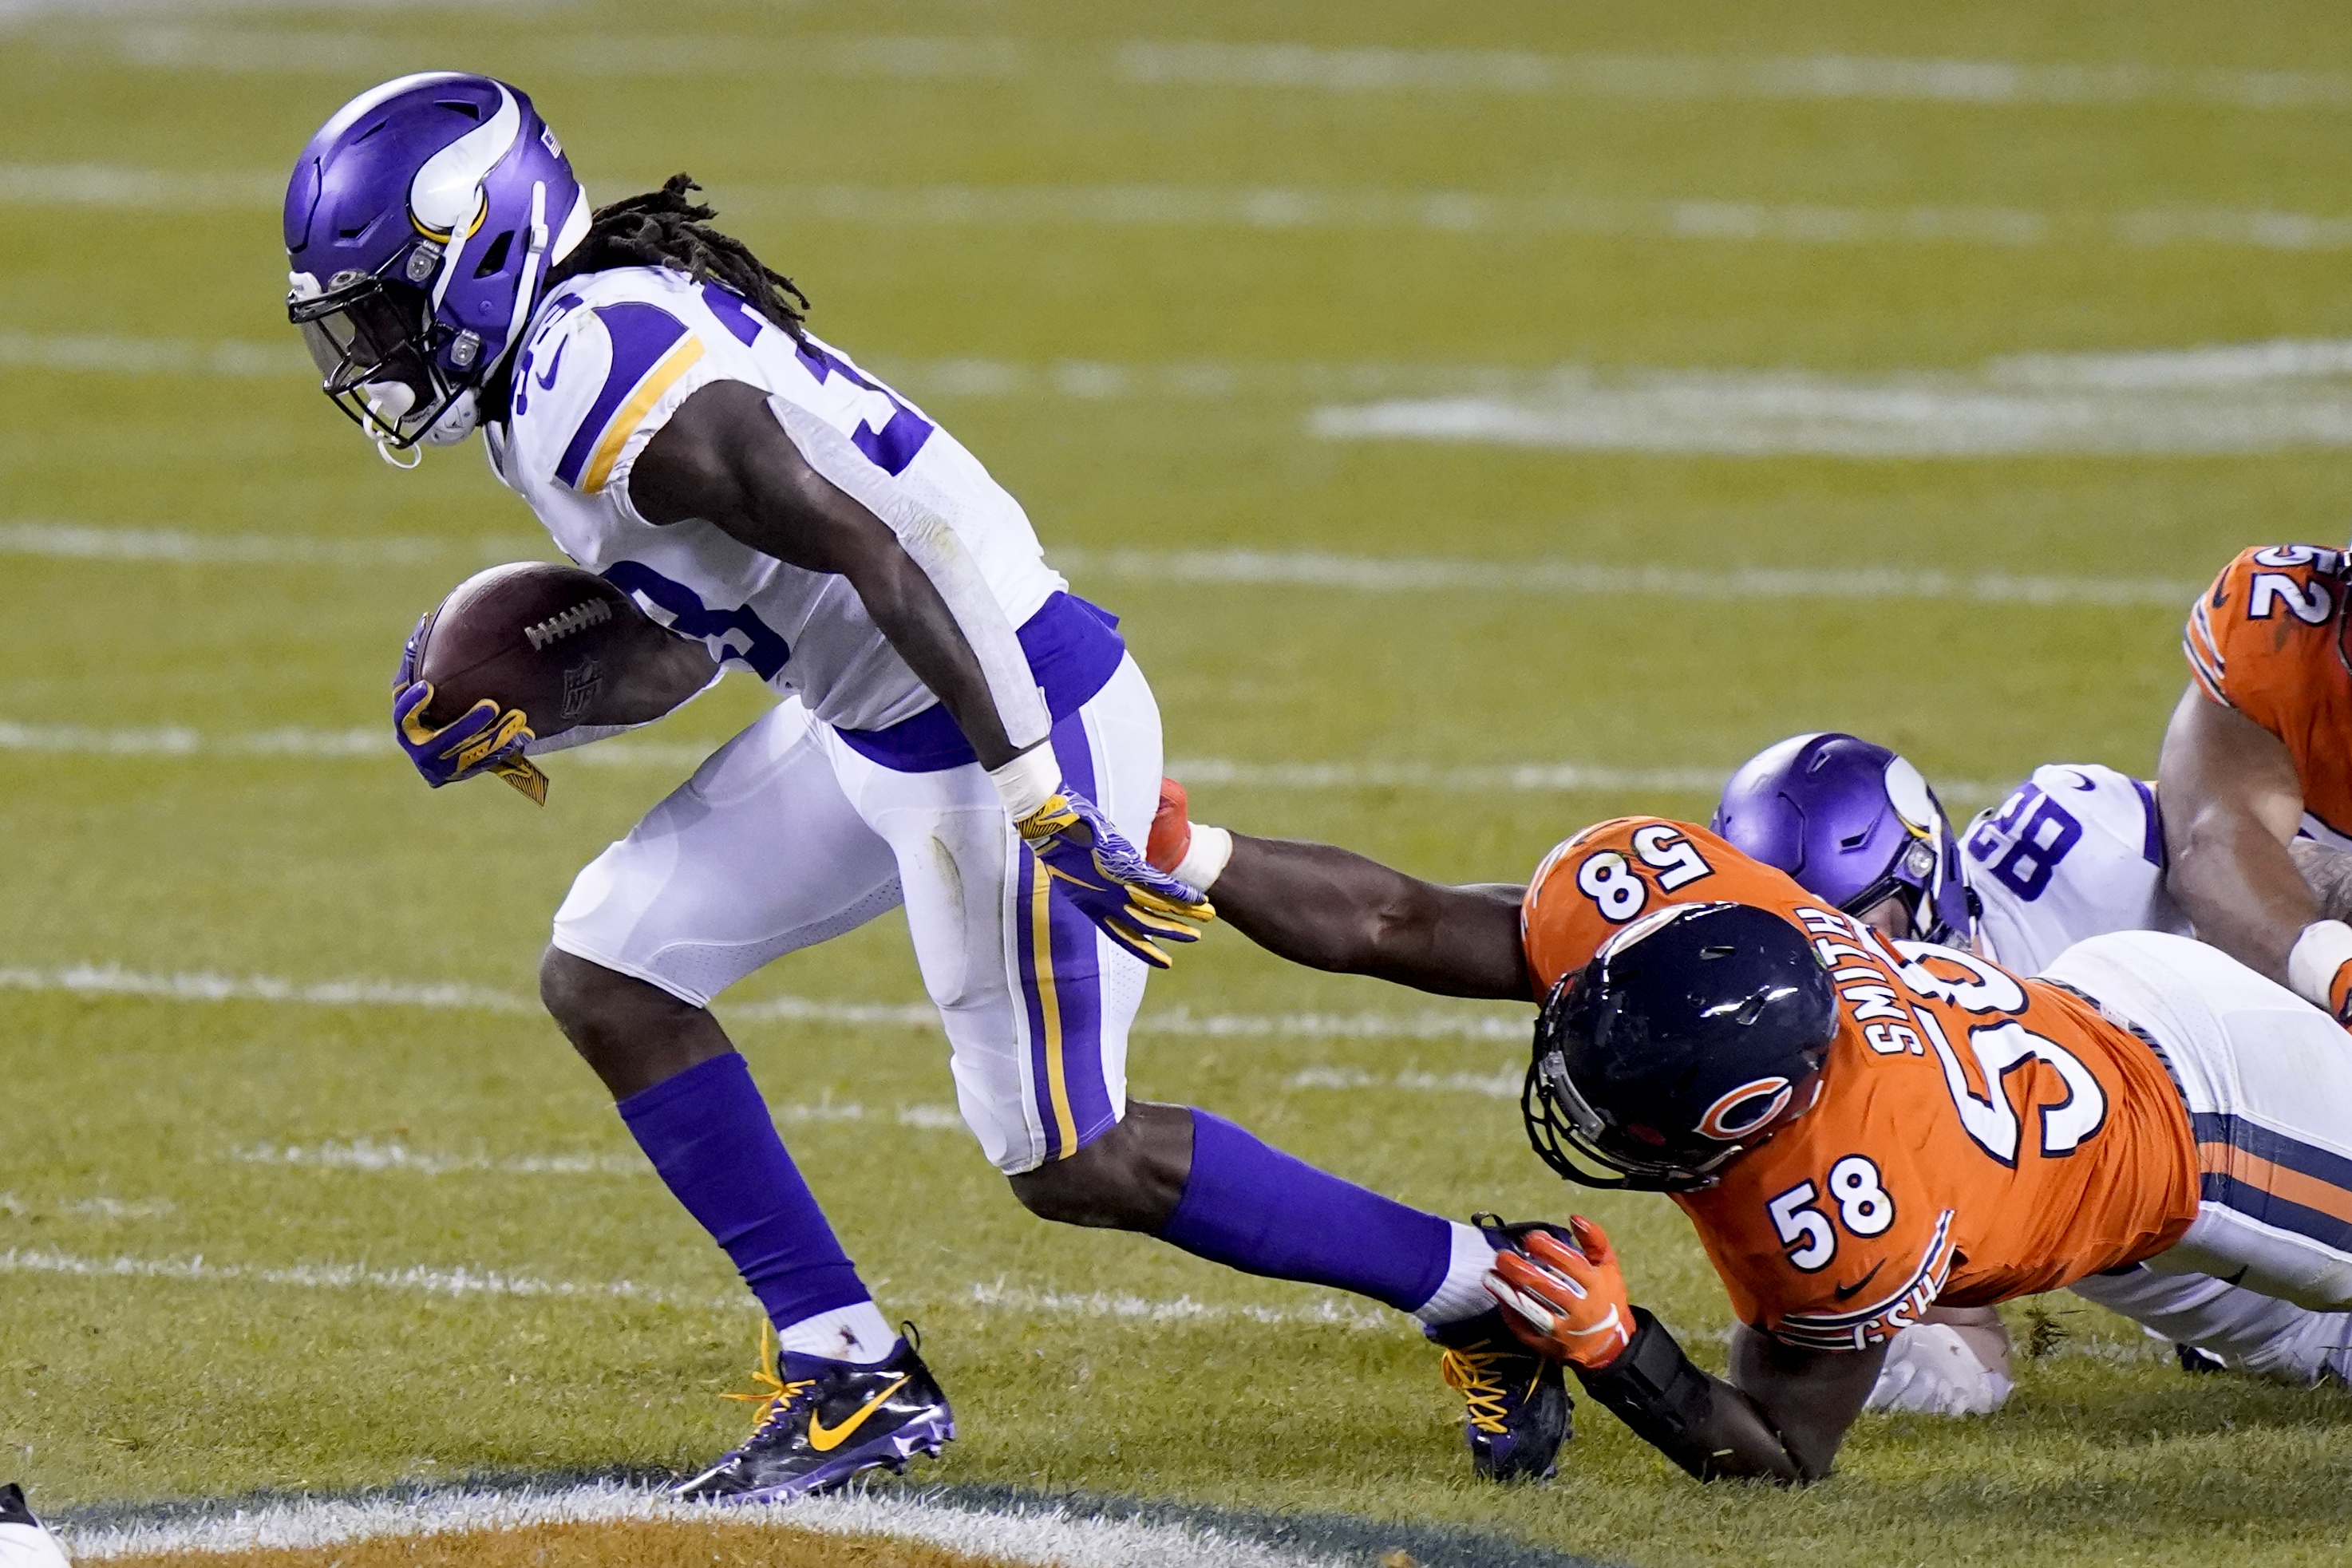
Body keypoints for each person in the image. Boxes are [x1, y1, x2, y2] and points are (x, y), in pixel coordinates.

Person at [283, 73, 1564, 1499]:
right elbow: (720, 621)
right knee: (608, 967)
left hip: (996, 711)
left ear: (487, 245)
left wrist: (1033, 789)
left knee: (1068, 1157)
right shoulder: (565, 361)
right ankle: (849, 1372)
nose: (375, 356)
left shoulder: (592, 375)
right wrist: (544, 702)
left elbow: (888, 553)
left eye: (388, 311)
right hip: (880, 716)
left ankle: (1487, 1287)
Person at [1146, 799, 2352, 1480]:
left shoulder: (1841, 1205)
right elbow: (1391, 916)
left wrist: (1618, 1349)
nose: (1579, 1104)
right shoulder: (1672, 912)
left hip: (2221, 1125)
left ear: (1744, 1122)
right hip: (2083, 1066)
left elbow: (1780, 1454)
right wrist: (1191, 853)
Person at [1710, 733, 2352, 1408]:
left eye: (1861, 929)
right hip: (2299, 1303)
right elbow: (1965, 1346)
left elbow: (2267, 864)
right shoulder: (1853, 1102)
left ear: (1926, 870)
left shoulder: (2073, 842)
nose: (1847, 969)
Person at [2166, 543, 2352, 1020]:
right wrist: (2339, 973)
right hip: (2292, 997)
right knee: (2084, 819)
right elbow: (2213, 841)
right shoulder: (2280, 625)